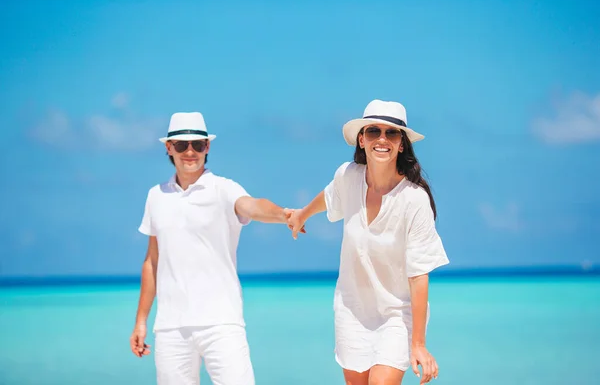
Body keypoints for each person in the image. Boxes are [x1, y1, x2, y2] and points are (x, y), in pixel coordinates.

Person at [129, 112, 301, 385]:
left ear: (207, 147)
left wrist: (284, 215)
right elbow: (152, 261)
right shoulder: (156, 196)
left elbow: (252, 206)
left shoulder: (223, 189)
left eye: (197, 144)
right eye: (182, 145)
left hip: (222, 323)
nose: (190, 151)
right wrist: (141, 321)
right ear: (168, 147)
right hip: (171, 327)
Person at [287, 99, 449, 385]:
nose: (382, 139)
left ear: (402, 144)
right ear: (362, 140)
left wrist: (419, 344)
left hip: (397, 315)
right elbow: (328, 197)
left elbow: (418, 274)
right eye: (374, 131)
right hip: (352, 311)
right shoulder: (348, 176)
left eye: (392, 133)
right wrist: (301, 215)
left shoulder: (414, 199)